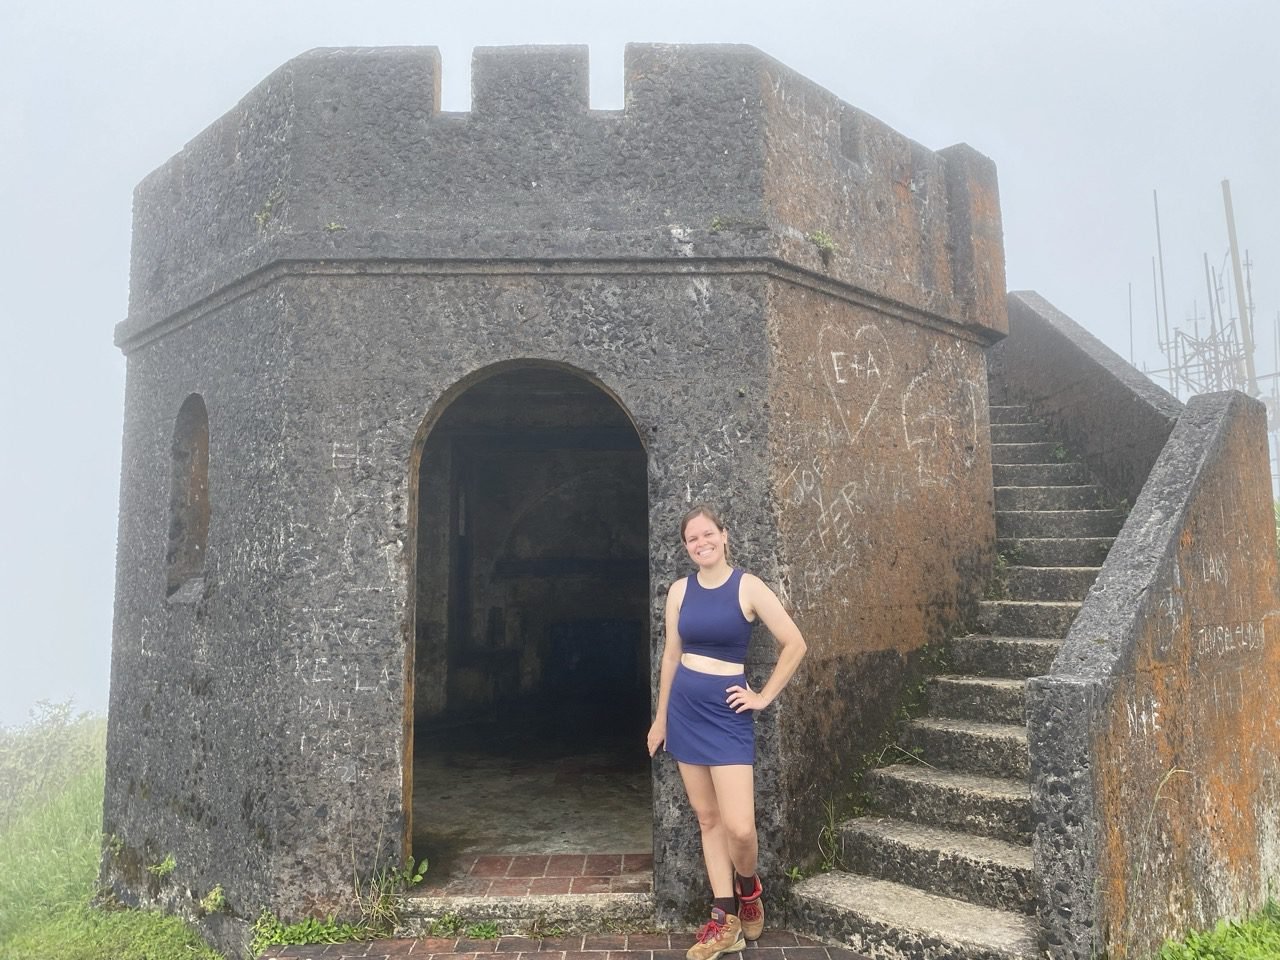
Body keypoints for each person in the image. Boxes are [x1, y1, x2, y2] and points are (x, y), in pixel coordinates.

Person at [647, 505, 808, 960]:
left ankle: (749, 887)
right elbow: (671, 658)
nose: (701, 543)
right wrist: (661, 719)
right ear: (686, 547)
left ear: (724, 535)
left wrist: (762, 696)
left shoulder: (748, 586)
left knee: (739, 826)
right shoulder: (680, 591)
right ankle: (725, 920)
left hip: (727, 714)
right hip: (685, 711)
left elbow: (795, 643)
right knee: (707, 818)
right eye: (692, 540)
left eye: (707, 535)